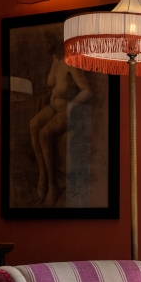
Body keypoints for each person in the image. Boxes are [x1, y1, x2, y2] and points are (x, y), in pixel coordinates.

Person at [29, 31, 92, 206]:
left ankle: (52, 185)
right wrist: (55, 63)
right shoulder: (57, 60)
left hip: (66, 107)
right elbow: (51, 82)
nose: (50, 49)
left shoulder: (72, 63)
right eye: (48, 46)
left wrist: (73, 105)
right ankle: (43, 174)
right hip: (53, 105)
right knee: (33, 124)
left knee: (44, 134)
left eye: (53, 46)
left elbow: (87, 90)